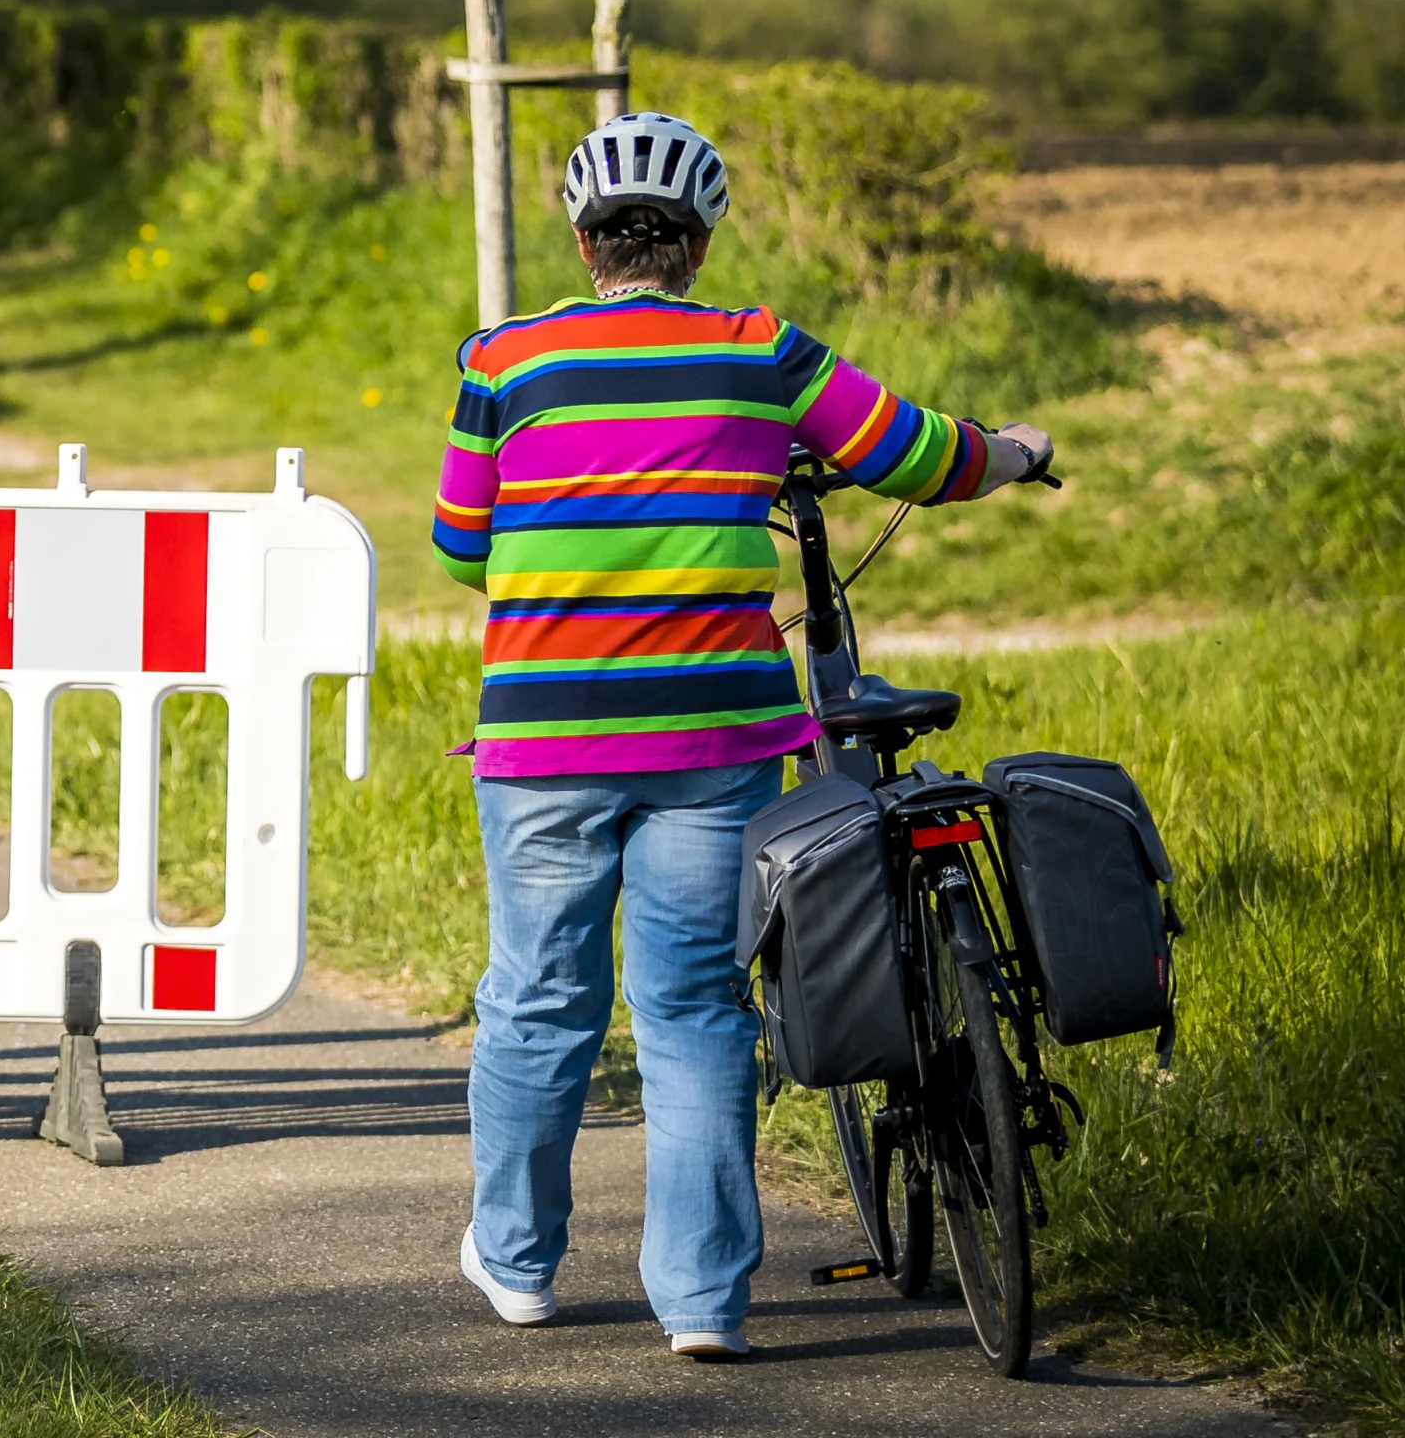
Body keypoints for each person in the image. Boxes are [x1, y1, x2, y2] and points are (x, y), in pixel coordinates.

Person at [432, 110, 1051, 1360]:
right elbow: (915, 453)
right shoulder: (764, 348)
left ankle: (518, 1263)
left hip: (545, 739)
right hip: (712, 743)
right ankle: (703, 1301)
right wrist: (1016, 452)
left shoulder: (502, 360)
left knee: (539, 998)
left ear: (584, 241)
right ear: (699, 242)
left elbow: (459, 543)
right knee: (697, 1008)